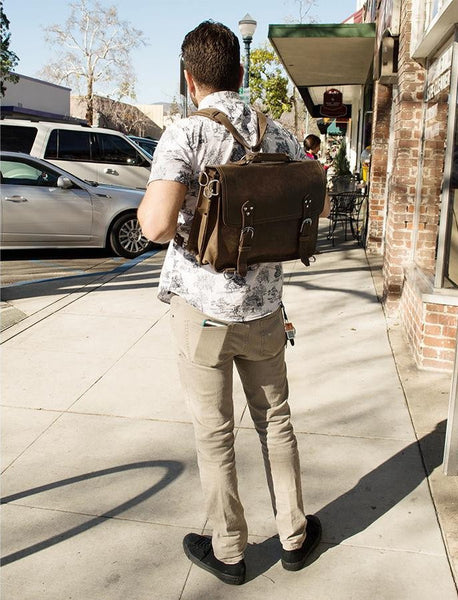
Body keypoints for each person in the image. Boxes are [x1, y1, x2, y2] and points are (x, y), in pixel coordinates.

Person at [138, 20, 329, 586]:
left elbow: (153, 224)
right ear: (241, 75)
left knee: (215, 431)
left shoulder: (184, 134)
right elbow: (312, 213)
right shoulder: (282, 137)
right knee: (277, 422)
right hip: (266, 309)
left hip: (203, 312)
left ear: (190, 77)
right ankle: (294, 535)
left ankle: (229, 551)